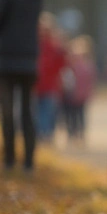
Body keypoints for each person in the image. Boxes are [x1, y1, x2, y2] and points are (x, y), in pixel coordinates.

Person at [0, 0, 55, 171]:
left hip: (7, 58)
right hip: (29, 59)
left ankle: (8, 160)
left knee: (7, 111)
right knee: (28, 111)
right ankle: (28, 162)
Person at [34, 13, 68, 146]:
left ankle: (46, 135)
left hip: (50, 86)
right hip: (36, 86)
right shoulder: (34, 45)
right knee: (39, 113)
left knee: (48, 112)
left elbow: (62, 64)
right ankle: (41, 135)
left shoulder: (55, 46)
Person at [61, 35, 97, 146]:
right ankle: (72, 133)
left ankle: (80, 134)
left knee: (80, 115)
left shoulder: (87, 66)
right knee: (71, 116)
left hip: (80, 96)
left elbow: (90, 82)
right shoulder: (70, 66)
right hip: (71, 95)